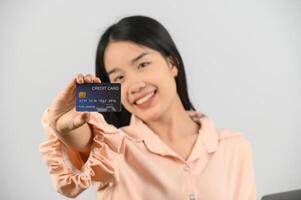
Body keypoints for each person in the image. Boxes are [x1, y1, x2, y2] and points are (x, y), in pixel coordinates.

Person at [39, 15, 257, 200]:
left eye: (143, 65)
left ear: (171, 64)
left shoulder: (233, 147)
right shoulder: (115, 149)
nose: (134, 85)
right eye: (119, 78)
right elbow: (82, 140)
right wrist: (63, 126)